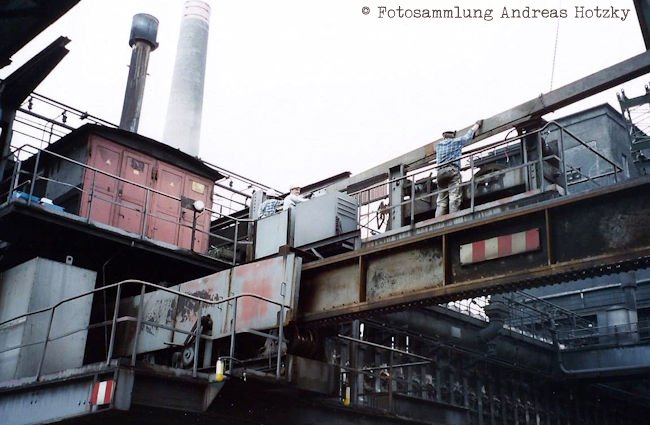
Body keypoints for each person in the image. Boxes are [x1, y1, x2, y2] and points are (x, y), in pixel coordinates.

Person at [435, 120, 482, 218]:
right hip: (452, 171)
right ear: (453, 134)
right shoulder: (456, 142)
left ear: (443, 135)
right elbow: (468, 136)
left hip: (439, 173)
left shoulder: (438, 146)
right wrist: (476, 125)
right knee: (454, 197)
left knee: (441, 201)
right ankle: (454, 218)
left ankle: (438, 221)